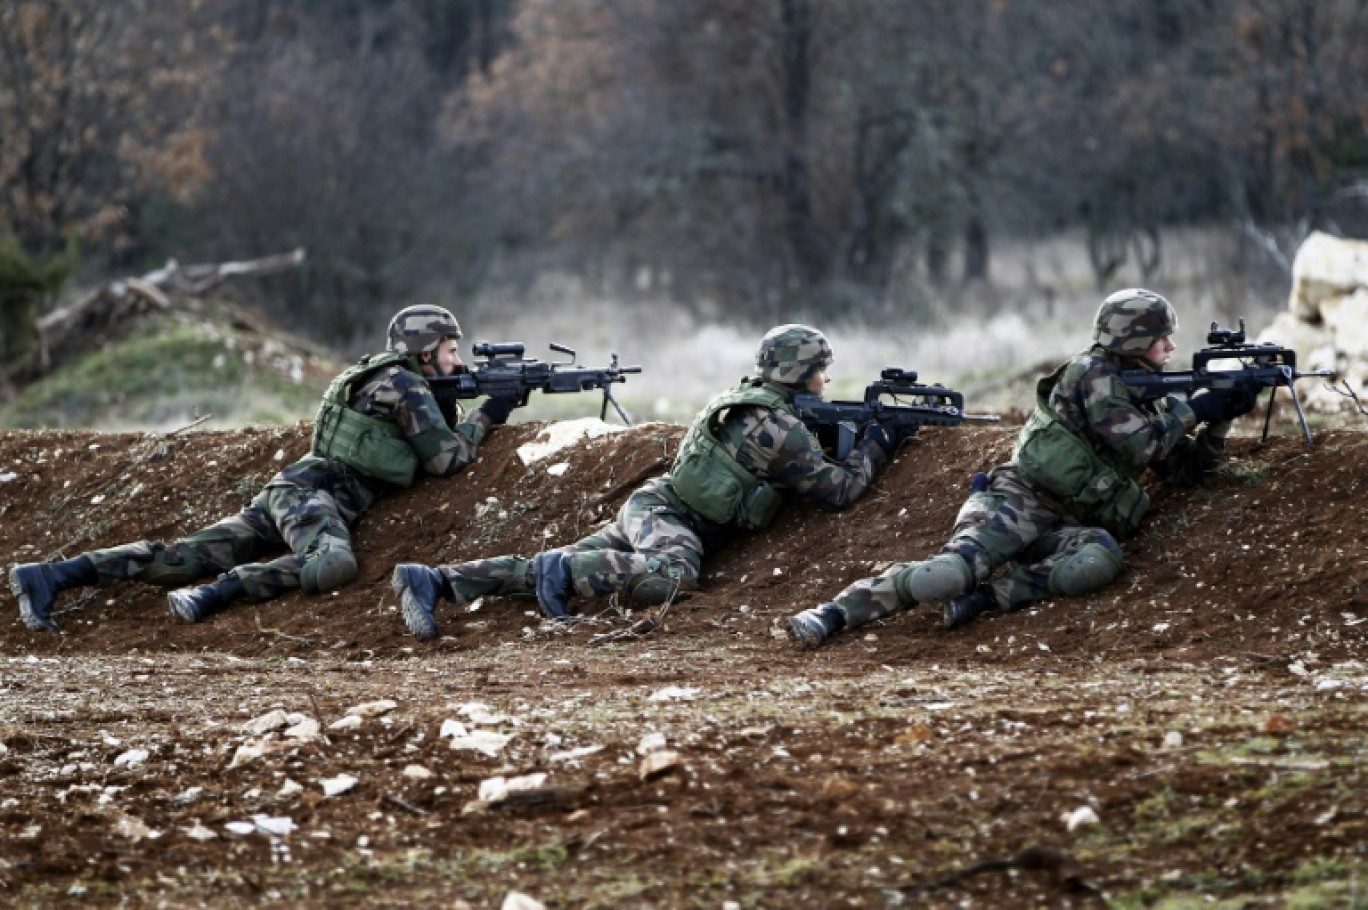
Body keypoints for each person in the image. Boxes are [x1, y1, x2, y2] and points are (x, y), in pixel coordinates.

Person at [787, 288, 1259, 647]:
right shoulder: (1090, 374)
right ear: (1134, 340)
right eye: (1162, 338)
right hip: (1018, 501)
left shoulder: (1152, 400)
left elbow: (1184, 470)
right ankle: (833, 613)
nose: (1172, 345)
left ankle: (990, 599)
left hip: (1071, 524)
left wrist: (1219, 420)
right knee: (947, 576)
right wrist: (1197, 407)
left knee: (1098, 561)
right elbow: (1141, 446)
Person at [10, 304, 517, 631]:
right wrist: (492, 412)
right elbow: (446, 459)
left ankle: (52, 575)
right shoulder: (405, 386)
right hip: (312, 498)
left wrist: (468, 402)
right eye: (451, 351)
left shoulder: (386, 378)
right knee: (333, 564)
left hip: (291, 489)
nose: (457, 361)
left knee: (179, 557)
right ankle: (218, 591)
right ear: (425, 353)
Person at [392, 323, 907, 640]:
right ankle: (561, 573)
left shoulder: (747, 400)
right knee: (673, 575)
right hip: (668, 518)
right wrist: (879, 442)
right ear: (798, 373)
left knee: (552, 569)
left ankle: (435, 580)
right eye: (820, 370)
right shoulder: (779, 428)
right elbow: (838, 492)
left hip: (652, 505)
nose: (826, 380)